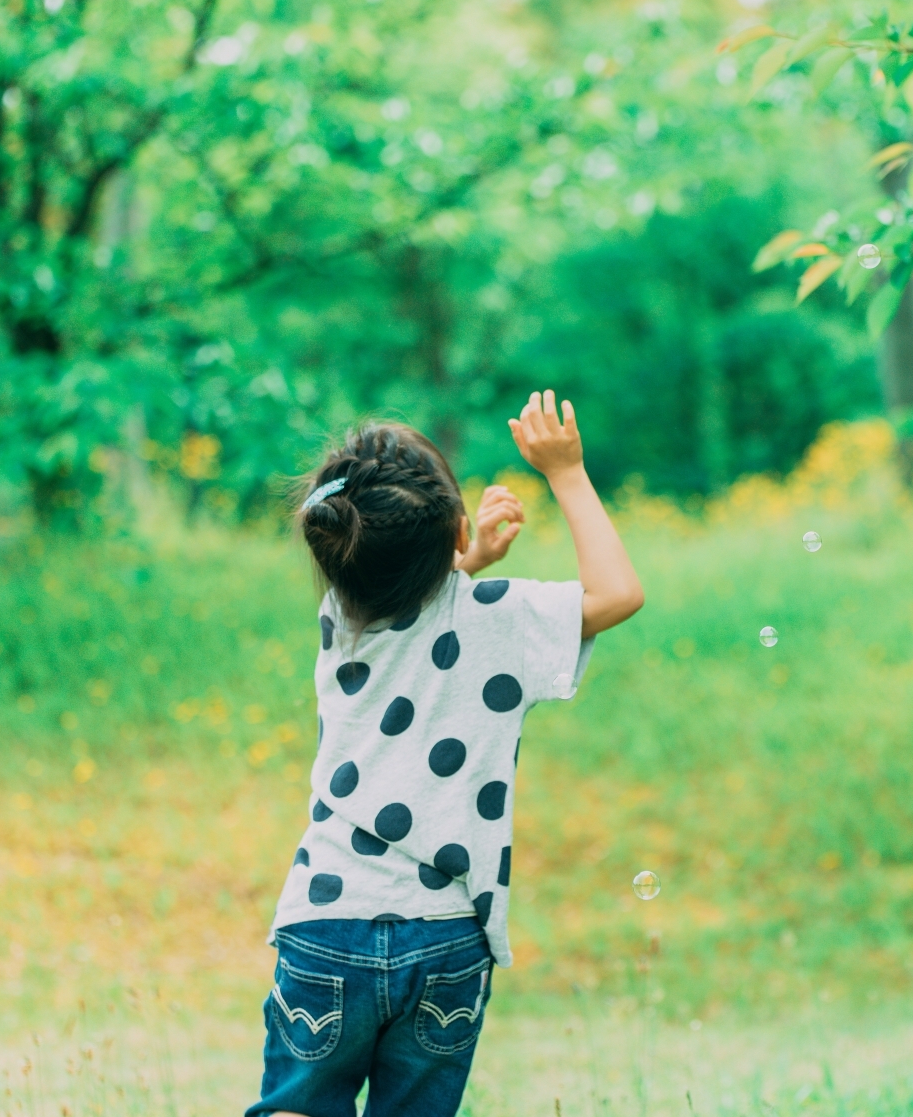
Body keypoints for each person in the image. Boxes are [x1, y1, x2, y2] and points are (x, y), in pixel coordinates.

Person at [248, 390, 644, 1117]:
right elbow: (617, 592)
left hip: (328, 920)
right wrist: (566, 472)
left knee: (297, 1106)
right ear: (456, 526)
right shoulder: (502, 620)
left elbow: (409, 592)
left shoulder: (344, 615)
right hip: (448, 936)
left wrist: (465, 555)